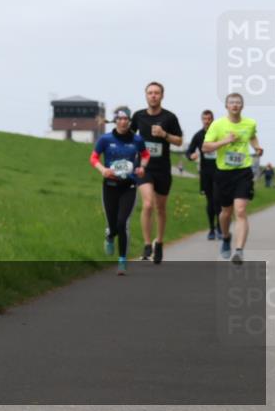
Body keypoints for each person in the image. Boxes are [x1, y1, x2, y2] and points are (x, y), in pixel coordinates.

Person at [203, 93, 263, 265]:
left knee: (241, 210)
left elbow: (251, 136)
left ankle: (239, 251)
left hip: (243, 172)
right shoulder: (218, 125)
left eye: (238, 102)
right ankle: (226, 237)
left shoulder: (250, 123)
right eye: (231, 102)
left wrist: (257, 147)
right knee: (225, 213)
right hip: (223, 174)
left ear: (242, 106)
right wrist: (224, 141)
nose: (235, 105)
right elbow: (205, 147)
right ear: (227, 106)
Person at [90, 107, 150, 275]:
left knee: (123, 223)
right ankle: (110, 236)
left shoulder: (137, 140)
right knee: (113, 225)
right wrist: (103, 170)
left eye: (126, 119)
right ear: (115, 120)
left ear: (130, 121)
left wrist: (142, 168)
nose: (123, 122)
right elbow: (93, 157)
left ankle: (122, 260)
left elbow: (145, 155)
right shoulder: (105, 139)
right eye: (120, 119)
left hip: (129, 186)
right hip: (109, 186)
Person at [131, 82, 183, 264]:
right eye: (150, 93)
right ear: (145, 95)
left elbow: (179, 141)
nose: (153, 96)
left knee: (160, 208)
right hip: (144, 167)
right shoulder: (138, 116)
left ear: (162, 96)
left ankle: (159, 242)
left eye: (157, 93)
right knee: (147, 204)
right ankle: (147, 244)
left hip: (162, 168)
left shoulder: (170, 117)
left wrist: (164, 135)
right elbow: (129, 137)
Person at [185, 110, 221, 240]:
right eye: (204, 119)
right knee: (210, 202)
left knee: (218, 201)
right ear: (202, 120)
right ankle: (212, 229)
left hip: (220, 172)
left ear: (213, 119)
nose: (207, 121)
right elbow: (188, 151)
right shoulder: (198, 136)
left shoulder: (219, 134)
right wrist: (191, 156)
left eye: (209, 119)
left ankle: (220, 227)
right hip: (206, 173)